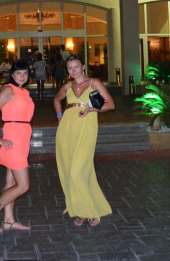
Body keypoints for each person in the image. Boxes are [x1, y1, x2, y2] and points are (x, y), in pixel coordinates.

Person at [53, 54, 114, 227]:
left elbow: (110, 104)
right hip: (67, 130)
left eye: (76, 67)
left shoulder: (94, 83)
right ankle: (79, 211)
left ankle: (89, 212)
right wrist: (60, 116)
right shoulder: (68, 86)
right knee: (71, 171)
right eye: (70, 68)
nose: (73, 71)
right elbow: (57, 100)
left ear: (83, 67)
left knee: (76, 172)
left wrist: (91, 109)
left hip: (86, 127)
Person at [0, 59, 35, 233]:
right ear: (12, 74)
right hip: (13, 137)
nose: (22, 76)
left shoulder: (24, 92)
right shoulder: (9, 90)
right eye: (18, 73)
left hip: (23, 136)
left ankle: (9, 220)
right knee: (23, 185)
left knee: (11, 181)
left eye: (25, 73)